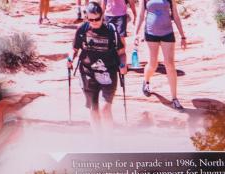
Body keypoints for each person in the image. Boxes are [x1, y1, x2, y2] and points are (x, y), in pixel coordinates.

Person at [72, 3, 128, 132]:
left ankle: (109, 140)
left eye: (97, 19)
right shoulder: (82, 29)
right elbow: (74, 49)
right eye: (91, 19)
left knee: (105, 109)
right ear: (86, 18)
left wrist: (123, 64)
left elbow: (122, 52)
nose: (94, 22)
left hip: (108, 73)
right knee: (94, 109)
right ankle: (98, 141)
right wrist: (70, 58)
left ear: (102, 16)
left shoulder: (111, 30)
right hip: (87, 74)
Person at [139, 0, 187, 110]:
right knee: (153, 63)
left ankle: (174, 99)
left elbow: (175, 14)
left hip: (167, 33)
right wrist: (136, 34)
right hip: (151, 33)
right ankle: (146, 81)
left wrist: (182, 35)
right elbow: (141, 15)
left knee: (170, 65)